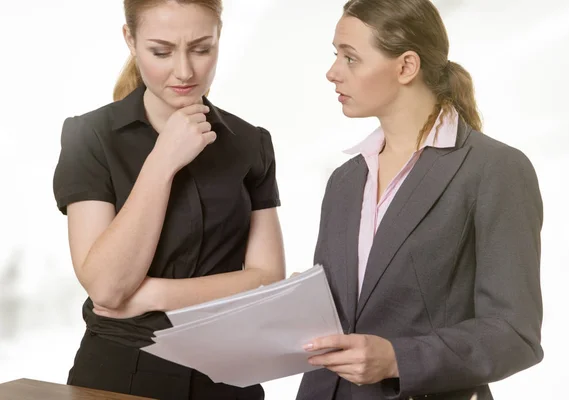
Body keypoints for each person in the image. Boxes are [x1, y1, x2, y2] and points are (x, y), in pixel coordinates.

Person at [296, 1, 543, 399]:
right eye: (335, 54)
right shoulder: (346, 179)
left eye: (350, 58)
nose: (333, 72)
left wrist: (397, 359)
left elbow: (514, 334)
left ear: (406, 66)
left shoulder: (494, 169)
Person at [52, 1, 285, 399]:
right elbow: (107, 288)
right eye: (161, 51)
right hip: (119, 376)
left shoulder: (251, 142)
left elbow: (267, 279)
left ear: (219, 39)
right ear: (131, 40)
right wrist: (162, 161)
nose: (184, 71)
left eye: (201, 48)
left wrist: (153, 296)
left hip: (227, 377)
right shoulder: (89, 136)